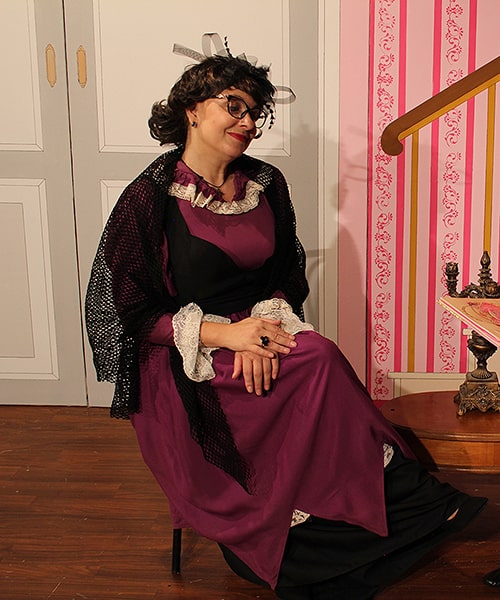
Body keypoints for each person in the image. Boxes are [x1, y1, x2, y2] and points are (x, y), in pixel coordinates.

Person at [85, 49, 487, 599]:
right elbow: (128, 312)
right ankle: (338, 528)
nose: (248, 122)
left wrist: (261, 326)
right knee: (316, 360)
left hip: (261, 328)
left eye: (256, 112)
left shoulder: (265, 182)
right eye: (234, 106)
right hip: (190, 355)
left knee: (317, 355)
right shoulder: (148, 196)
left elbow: (286, 276)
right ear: (192, 110)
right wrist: (228, 336)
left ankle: (406, 505)